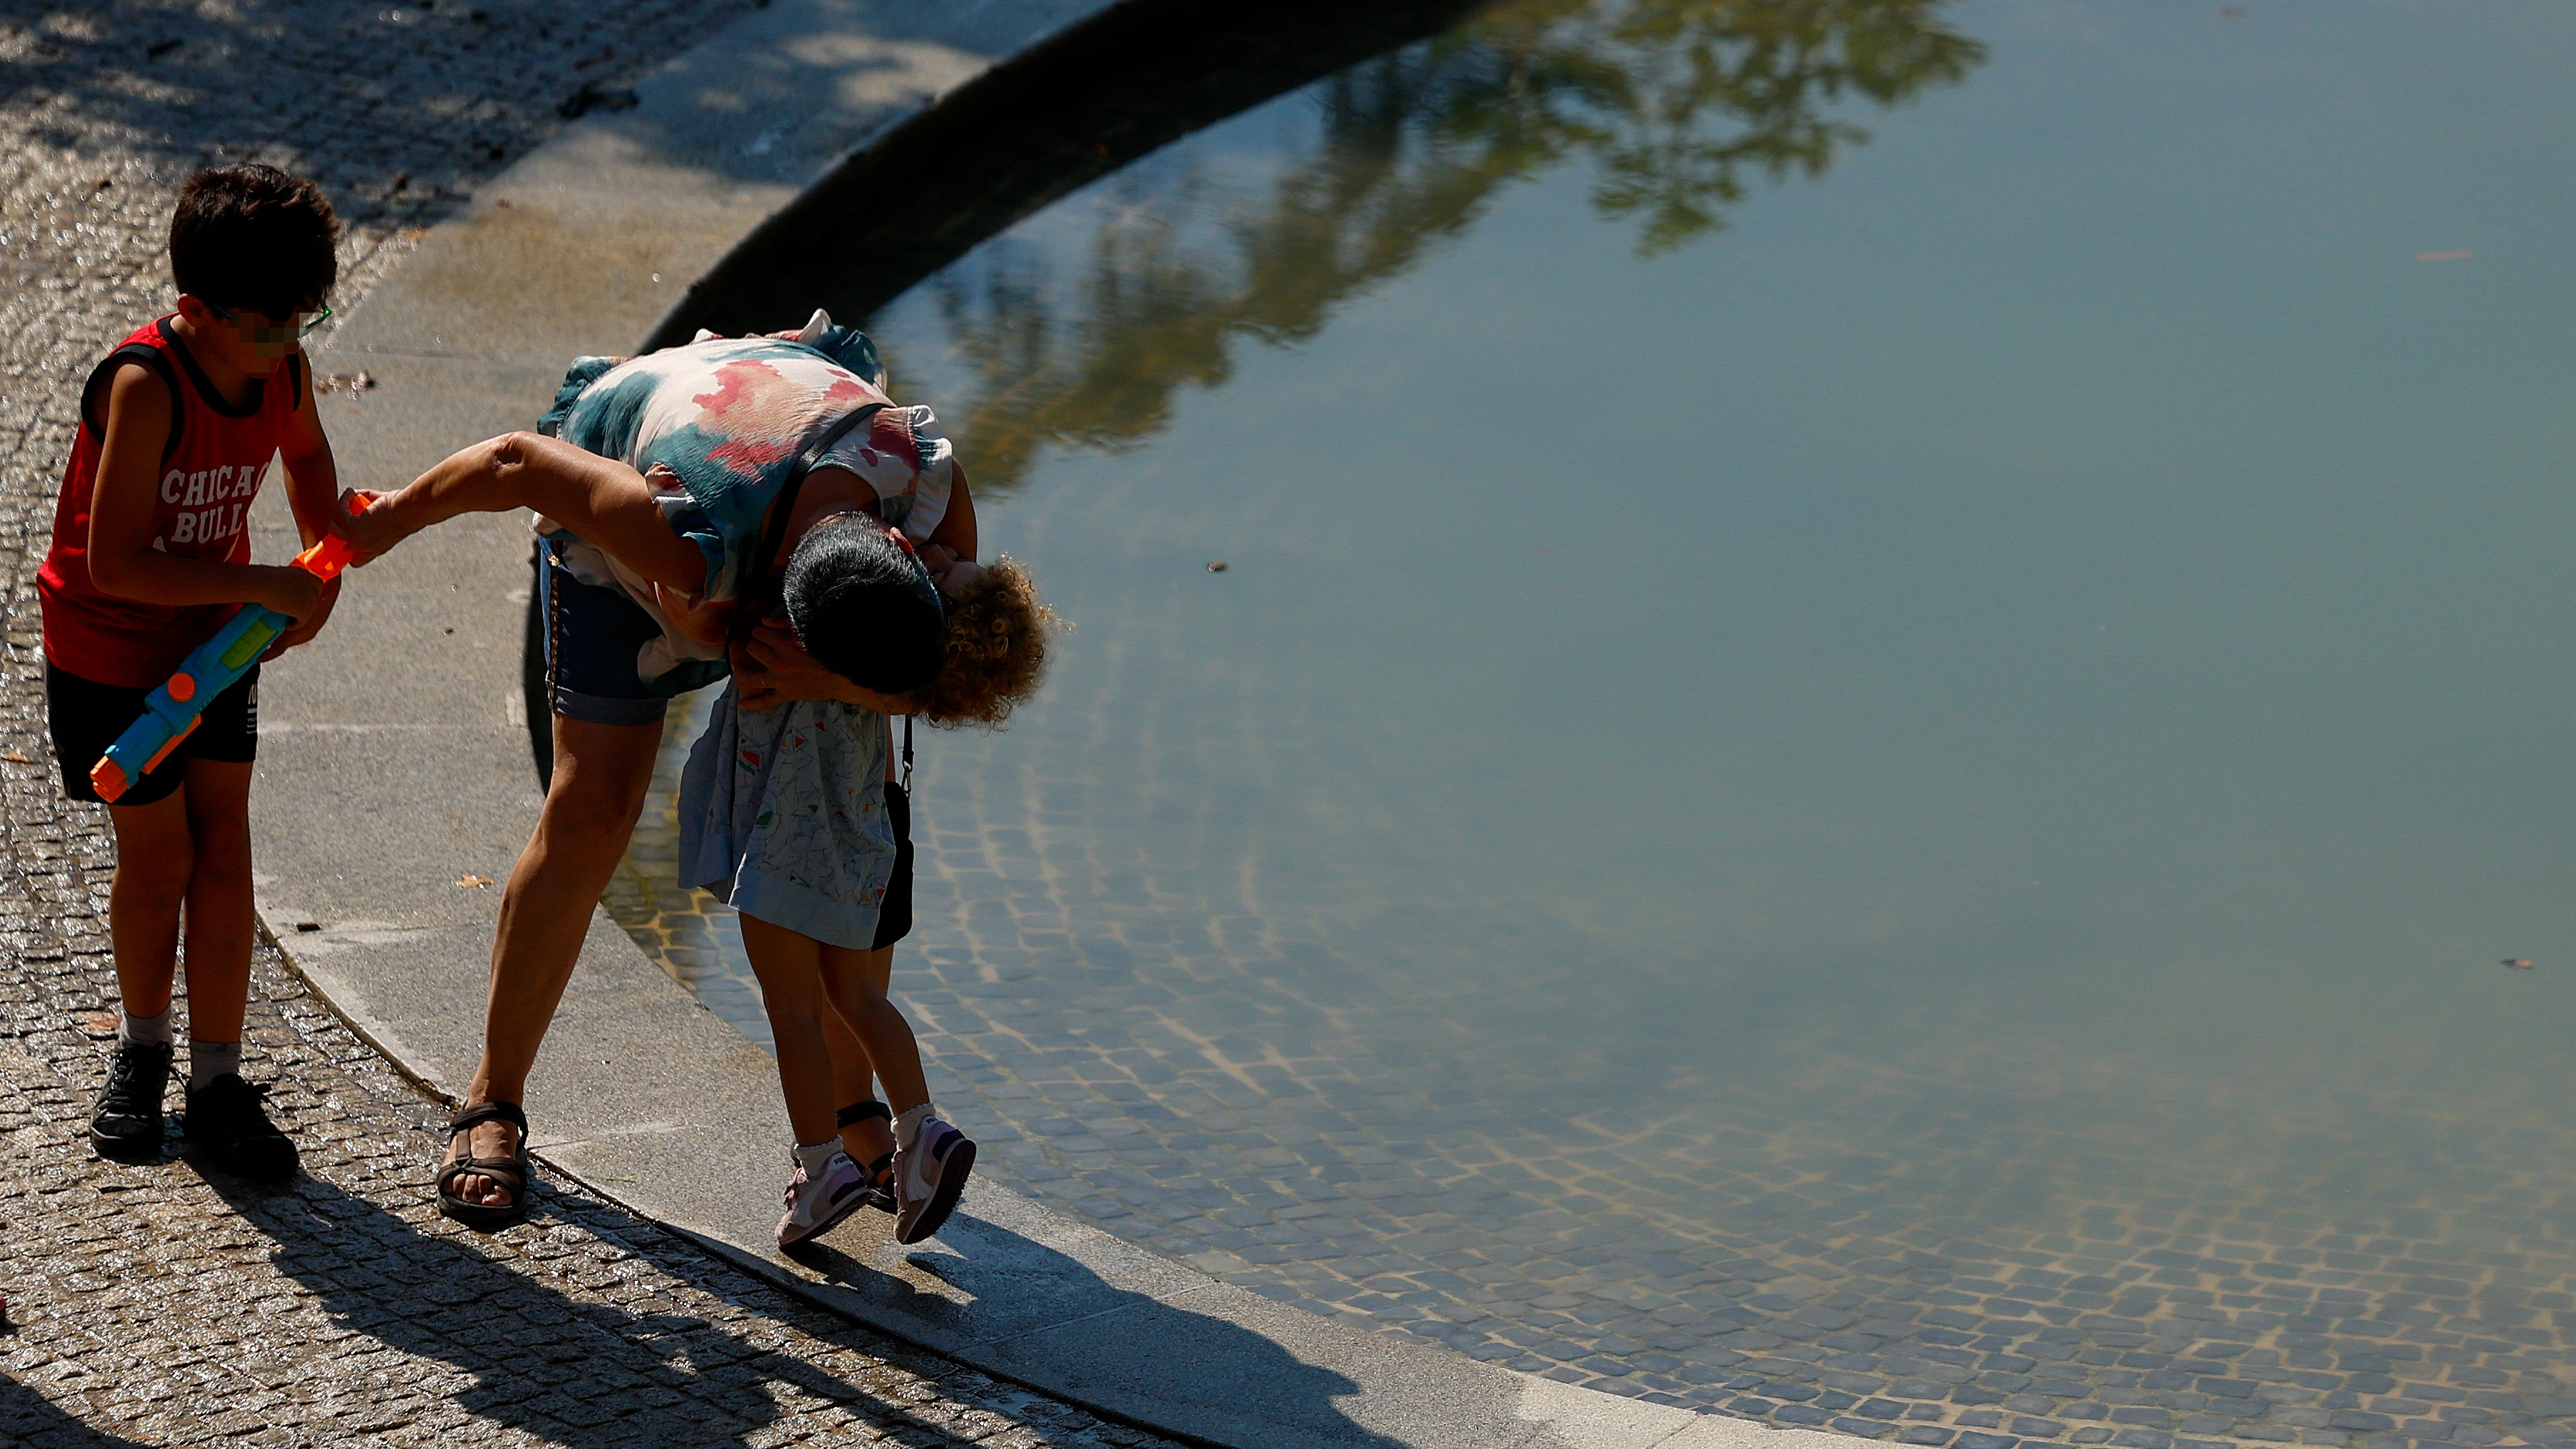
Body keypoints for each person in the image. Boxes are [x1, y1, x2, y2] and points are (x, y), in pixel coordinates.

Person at [339, 313, 1049, 1232]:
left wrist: (838, 685)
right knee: (595, 806)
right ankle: (493, 1101)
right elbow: (517, 462)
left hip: (783, 437)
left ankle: (856, 1115)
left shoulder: (929, 500)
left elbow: (930, 681)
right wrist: (388, 518)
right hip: (651, 496)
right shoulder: (673, 530)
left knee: (840, 809)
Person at [38, 165, 347, 1178]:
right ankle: (142, 1048)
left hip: (215, 645)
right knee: (159, 858)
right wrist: (265, 577)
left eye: (303, 320)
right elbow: (112, 561)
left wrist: (321, 562)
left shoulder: (283, 366)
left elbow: (306, 460)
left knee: (226, 853)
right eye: (265, 327)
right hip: (109, 654)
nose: (286, 346)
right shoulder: (146, 384)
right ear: (195, 310)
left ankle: (217, 1078)